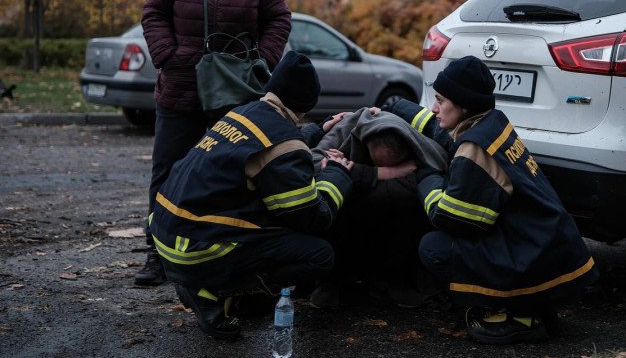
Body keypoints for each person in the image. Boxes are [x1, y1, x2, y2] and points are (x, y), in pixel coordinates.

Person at [385, 56, 599, 344]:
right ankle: (533, 302)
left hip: (536, 259)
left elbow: (450, 219)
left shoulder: (474, 150)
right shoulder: (491, 123)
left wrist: (425, 175)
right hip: (548, 251)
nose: (434, 108)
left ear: (462, 105)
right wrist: (396, 108)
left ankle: (517, 313)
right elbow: (440, 130)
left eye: (440, 100)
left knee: (435, 247)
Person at [137, 0, 291, 286]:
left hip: (234, 91)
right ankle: (158, 255)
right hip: (180, 86)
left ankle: (226, 251)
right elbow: (153, 12)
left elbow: (278, 19)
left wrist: (261, 63)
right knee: (167, 170)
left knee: (230, 173)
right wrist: (168, 56)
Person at [149, 51, 353, 340]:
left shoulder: (242, 113)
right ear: (308, 102)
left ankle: (200, 281)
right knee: (319, 254)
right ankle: (213, 292)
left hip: (168, 234)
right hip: (196, 248)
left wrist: (317, 131)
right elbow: (312, 217)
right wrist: (337, 174)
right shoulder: (285, 146)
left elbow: (268, 144)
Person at [308, 108, 447, 309]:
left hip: (389, 217)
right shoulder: (348, 127)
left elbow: (423, 180)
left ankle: (395, 280)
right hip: (349, 215)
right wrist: (382, 173)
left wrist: (349, 173)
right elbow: (311, 164)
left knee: (405, 204)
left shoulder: (424, 148)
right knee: (335, 200)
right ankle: (332, 282)